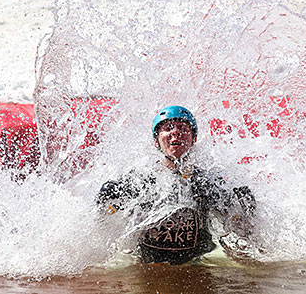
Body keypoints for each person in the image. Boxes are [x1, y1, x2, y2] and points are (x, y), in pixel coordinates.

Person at [96, 106, 257, 265]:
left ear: (193, 139)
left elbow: (239, 225)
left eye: (182, 127)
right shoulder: (141, 181)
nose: (176, 132)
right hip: (145, 265)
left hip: (196, 264)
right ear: (156, 141)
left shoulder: (206, 183)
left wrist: (242, 205)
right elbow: (102, 222)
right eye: (168, 128)